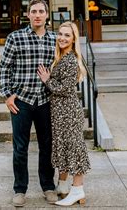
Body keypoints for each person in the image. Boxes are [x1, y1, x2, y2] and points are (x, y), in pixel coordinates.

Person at [0, 0, 58, 207]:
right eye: (34, 11)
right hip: (21, 101)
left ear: (47, 15)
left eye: (41, 11)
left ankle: (48, 186)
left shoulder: (56, 39)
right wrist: (8, 95)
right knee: (20, 147)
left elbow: (62, 69)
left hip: (46, 100)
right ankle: (20, 189)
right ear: (28, 15)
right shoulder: (15, 37)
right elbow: (5, 68)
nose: (38, 15)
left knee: (47, 146)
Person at [37, 21, 91, 206]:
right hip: (59, 111)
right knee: (64, 148)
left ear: (74, 39)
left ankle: (77, 190)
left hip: (68, 111)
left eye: (67, 35)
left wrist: (46, 80)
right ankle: (63, 186)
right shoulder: (62, 56)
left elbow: (65, 89)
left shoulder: (70, 59)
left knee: (74, 149)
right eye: (60, 33)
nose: (62, 37)